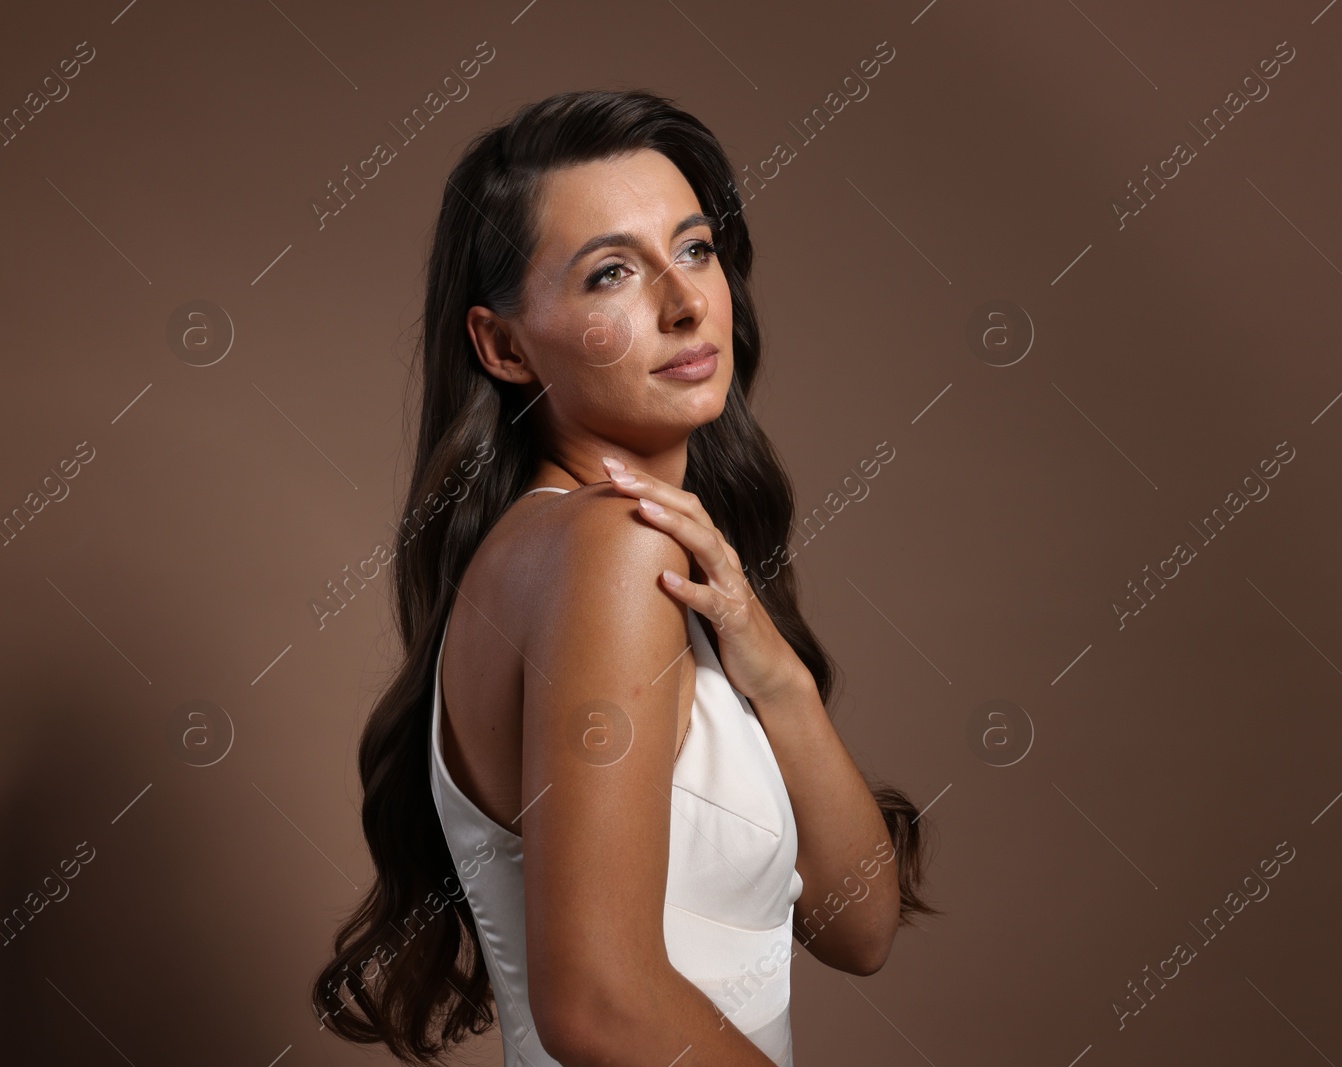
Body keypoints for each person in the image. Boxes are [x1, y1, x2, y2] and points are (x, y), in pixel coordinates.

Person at [310, 89, 937, 1066]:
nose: (686, 302)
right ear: (504, 345)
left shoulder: (607, 556)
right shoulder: (606, 549)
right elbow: (599, 1002)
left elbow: (856, 926)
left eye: (694, 248)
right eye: (611, 273)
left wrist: (773, 672)